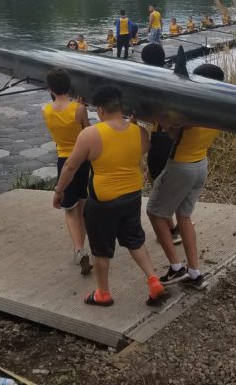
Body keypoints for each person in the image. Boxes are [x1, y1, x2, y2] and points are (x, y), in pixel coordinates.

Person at [54, 85, 166, 307]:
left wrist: (59, 191)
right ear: (120, 108)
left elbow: (69, 167)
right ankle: (153, 280)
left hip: (103, 201)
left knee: (100, 249)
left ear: (101, 110)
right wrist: (131, 126)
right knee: (135, 240)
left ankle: (103, 293)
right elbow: (141, 150)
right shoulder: (140, 132)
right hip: (132, 195)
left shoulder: (91, 134)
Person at [146, 63, 225, 291]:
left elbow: (171, 128)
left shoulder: (193, 109)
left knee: (155, 212)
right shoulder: (221, 108)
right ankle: (194, 272)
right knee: (184, 217)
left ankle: (176, 267)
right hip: (201, 163)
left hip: (181, 165)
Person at [42, 68, 93, 276]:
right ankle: (90, 244)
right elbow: (88, 132)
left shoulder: (45, 110)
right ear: (69, 86)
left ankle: (79, 250)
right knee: (82, 204)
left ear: (50, 88)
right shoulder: (79, 109)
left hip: (65, 160)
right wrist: (81, 107)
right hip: (83, 160)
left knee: (70, 210)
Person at [140, 43, 182, 246]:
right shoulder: (170, 76)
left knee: (157, 185)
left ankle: (172, 231)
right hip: (173, 138)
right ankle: (173, 226)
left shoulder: (152, 79)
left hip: (161, 138)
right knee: (162, 182)